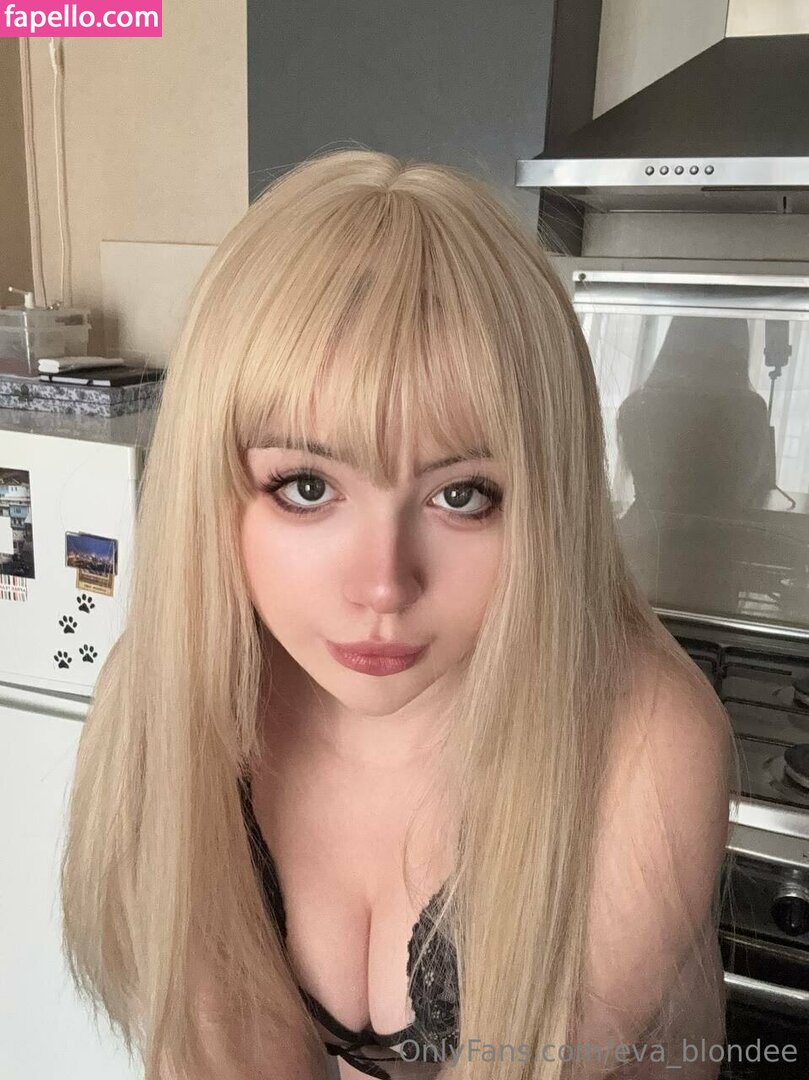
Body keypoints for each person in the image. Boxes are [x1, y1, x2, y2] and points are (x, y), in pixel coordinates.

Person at [60, 149, 738, 1080]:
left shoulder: (642, 741)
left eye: (462, 496)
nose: (382, 586)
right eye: (306, 486)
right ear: (214, 487)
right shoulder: (171, 699)